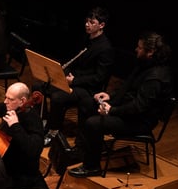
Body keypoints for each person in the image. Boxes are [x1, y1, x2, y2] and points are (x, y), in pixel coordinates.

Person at [69, 32, 172, 178]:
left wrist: (112, 110)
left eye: (140, 48)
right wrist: (110, 96)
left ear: (150, 52)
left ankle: (92, 167)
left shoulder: (155, 78)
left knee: (94, 124)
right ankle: (81, 149)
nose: (136, 49)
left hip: (140, 121)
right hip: (128, 109)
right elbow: (128, 86)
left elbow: (139, 107)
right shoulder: (144, 64)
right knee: (87, 102)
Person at [38, 7, 115, 139]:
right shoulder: (85, 38)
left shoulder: (105, 48)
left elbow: (99, 78)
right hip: (73, 80)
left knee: (58, 97)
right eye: (87, 21)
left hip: (87, 89)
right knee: (39, 87)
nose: (87, 24)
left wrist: (74, 81)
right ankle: (43, 122)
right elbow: (73, 60)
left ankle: (53, 131)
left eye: (92, 22)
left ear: (102, 25)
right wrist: (62, 71)